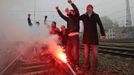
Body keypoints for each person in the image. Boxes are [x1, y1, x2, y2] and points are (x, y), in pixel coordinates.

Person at [80, 4, 106, 74]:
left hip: (94, 38)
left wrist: (103, 34)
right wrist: (70, 14)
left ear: (92, 9)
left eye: (90, 8)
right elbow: (76, 18)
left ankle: (94, 67)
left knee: (95, 54)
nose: (88, 9)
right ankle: (86, 66)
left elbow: (100, 24)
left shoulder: (96, 16)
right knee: (86, 54)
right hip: (86, 38)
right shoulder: (83, 16)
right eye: (87, 8)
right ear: (86, 9)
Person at [56, 0, 80, 69]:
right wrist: (58, 10)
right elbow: (62, 16)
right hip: (69, 37)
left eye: (71, 11)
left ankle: (77, 65)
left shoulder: (76, 17)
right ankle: (72, 62)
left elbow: (76, 10)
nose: (69, 12)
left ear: (74, 13)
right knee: (67, 51)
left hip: (75, 36)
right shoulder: (68, 19)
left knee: (75, 52)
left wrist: (71, 3)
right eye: (69, 11)